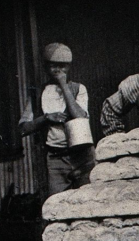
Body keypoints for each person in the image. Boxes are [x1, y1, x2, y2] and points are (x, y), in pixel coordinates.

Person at [18, 43, 93, 196]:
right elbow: (23, 128)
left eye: (63, 66)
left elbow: (80, 116)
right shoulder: (37, 94)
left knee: (87, 199)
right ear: (46, 67)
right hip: (55, 158)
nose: (58, 71)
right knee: (57, 203)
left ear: (69, 67)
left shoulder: (79, 89)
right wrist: (46, 119)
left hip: (82, 156)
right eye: (54, 66)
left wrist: (64, 85)